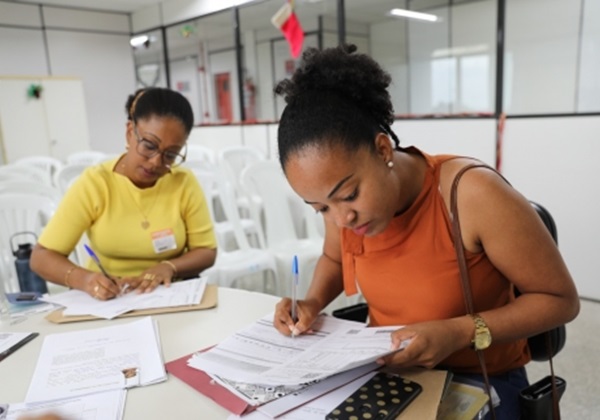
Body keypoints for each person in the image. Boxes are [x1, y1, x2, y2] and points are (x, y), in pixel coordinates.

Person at [272, 45, 579, 419]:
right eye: (321, 208)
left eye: (348, 195)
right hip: (391, 375)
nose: (341, 219)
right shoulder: (344, 207)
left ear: (383, 148)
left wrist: (458, 332)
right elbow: (335, 257)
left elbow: (560, 300)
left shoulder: (470, 194)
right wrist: (312, 303)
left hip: (482, 381)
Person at [31, 87, 217, 300]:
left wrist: (169, 267)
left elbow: (206, 251)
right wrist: (85, 280)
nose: (156, 162)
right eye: (149, 146)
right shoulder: (96, 183)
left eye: (171, 154)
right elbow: (41, 257)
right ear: (130, 132)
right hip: (110, 298)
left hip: (169, 294)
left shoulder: (183, 182)